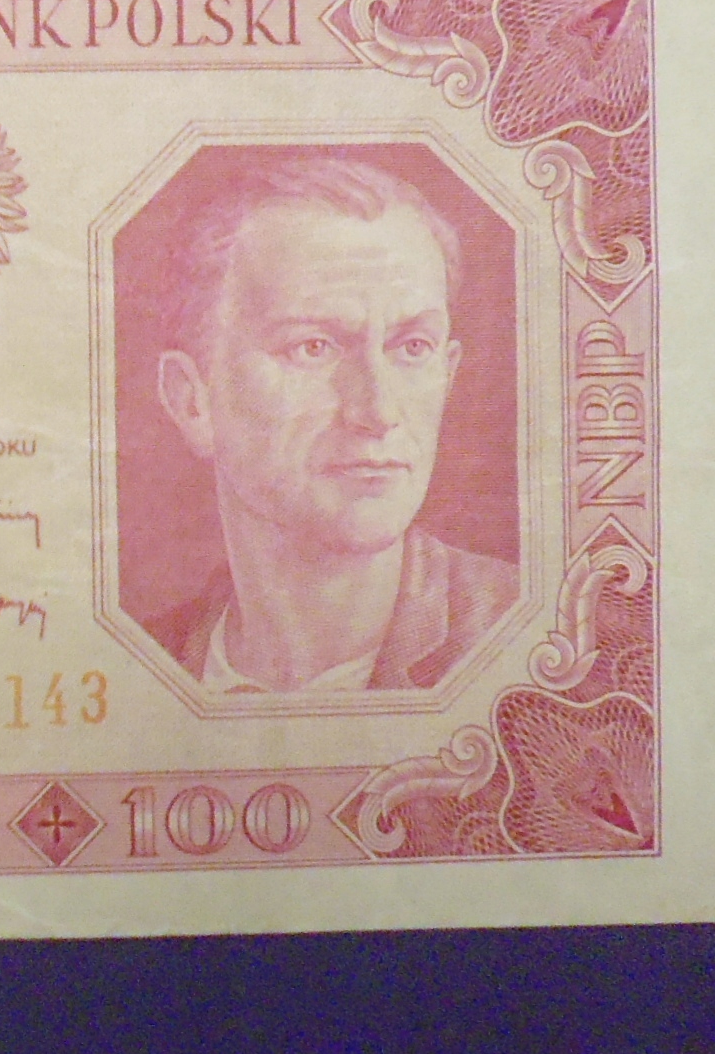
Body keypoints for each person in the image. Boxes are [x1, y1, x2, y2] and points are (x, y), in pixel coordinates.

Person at [142, 155, 517, 692]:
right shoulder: (143, 667)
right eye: (313, 347)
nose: (378, 412)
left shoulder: (529, 635)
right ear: (193, 401)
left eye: (412, 347)